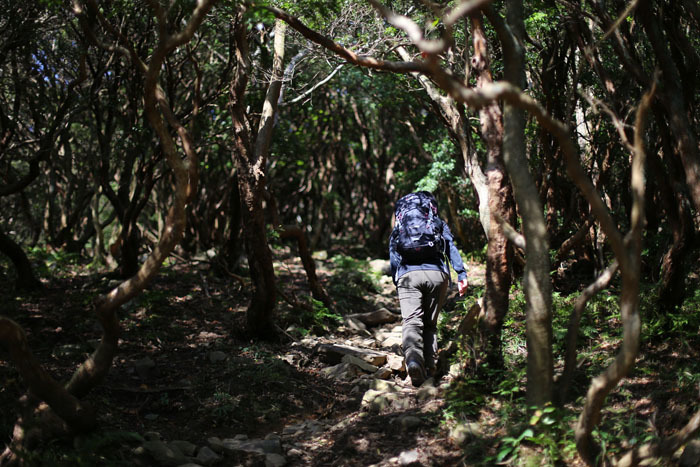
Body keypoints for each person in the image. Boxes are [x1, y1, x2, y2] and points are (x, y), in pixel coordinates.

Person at [389, 191, 468, 387]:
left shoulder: (400, 226)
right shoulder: (437, 223)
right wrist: (461, 274)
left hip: (409, 275)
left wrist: (397, 279)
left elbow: (393, 255)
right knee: (430, 323)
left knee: (411, 321)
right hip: (437, 274)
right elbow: (450, 246)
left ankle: (414, 361)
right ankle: (431, 367)